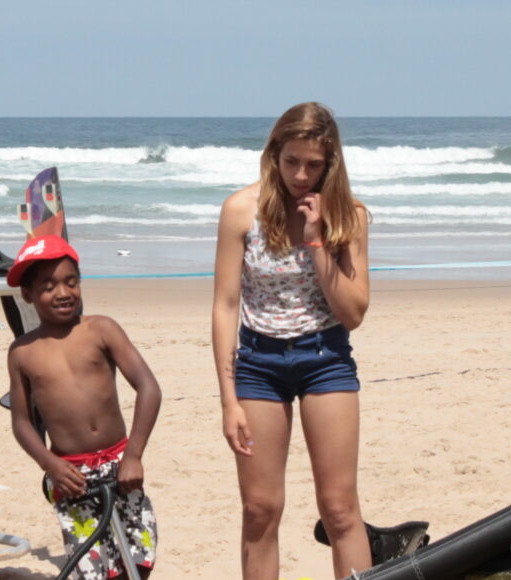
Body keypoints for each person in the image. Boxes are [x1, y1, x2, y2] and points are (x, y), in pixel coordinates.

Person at [212, 102, 372, 580]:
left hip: (326, 358)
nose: (301, 175)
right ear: (273, 155)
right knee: (260, 509)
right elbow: (223, 306)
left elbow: (354, 313)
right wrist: (228, 401)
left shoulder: (351, 216)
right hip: (258, 364)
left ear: (331, 164)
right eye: (291, 162)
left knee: (340, 508)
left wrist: (317, 238)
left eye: (314, 165)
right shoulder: (240, 210)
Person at [5, 235, 162, 580]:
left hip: (122, 465)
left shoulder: (101, 329)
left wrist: (134, 455)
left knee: (138, 558)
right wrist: (50, 464)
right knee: (91, 567)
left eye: (70, 282)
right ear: (28, 296)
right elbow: (21, 423)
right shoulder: (22, 352)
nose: (62, 293)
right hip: (71, 476)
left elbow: (148, 387)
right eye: (48, 286)